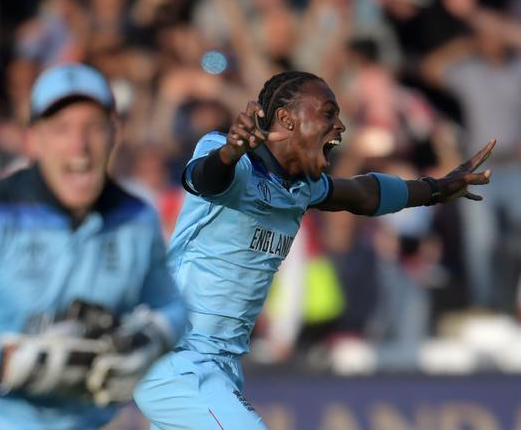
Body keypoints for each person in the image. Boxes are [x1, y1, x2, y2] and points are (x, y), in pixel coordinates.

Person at [134, 70, 495, 429]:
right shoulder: (230, 157)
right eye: (328, 113)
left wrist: (435, 189)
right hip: (179, 356)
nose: (340, 126)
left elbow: (364, 193)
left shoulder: (302, 187)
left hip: (222, 366)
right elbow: (204, 178)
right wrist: (230, 152)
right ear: (286, 119)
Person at [0, 63, 187, 429]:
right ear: (32, 140)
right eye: (61, 129)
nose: (79, 146)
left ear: (115, 132)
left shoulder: (136, 220)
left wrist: (153, 337)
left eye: (93, 127)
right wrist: (8, 363)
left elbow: (176, 310)